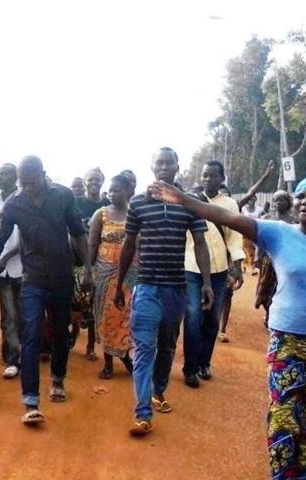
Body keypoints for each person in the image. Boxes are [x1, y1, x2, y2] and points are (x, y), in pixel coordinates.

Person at [151, 169, 306, 480]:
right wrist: (183, 199)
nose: (304, 201)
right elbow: (224, 215)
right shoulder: (279, 234)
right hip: (288, 337)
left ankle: (301, 473)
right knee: (284, 412)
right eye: (301, 196)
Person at [0, 155, 92, 426]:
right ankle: (30, 400)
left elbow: (78, 233)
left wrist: (87, 268)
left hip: (62, 278)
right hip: (34, 280)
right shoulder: (14, 204)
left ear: (43, 174)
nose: (29, 187)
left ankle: (58, 379)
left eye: (33, 182)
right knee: (29, 335)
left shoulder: (63, 196)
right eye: (24, 183)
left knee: (61, 334)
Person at [114, 147, 213, 436]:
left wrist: (206, 282)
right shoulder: (138, 203)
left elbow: (201, 243)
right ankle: (142, 413)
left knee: (168, 345)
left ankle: (159, 390)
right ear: (153, 167)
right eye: (160, 162)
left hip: (176, 289)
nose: (164, 167)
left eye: (169, 162)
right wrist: (121, 283)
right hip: (146, 287)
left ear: (177, 167)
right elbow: (128, 244)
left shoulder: (189, 203)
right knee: (144, 348)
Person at [182, 161, 244, 388]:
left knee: (211, 319)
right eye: (204, 176)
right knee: (192, 317)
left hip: (219, 269)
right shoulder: (191, 200)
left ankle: (204, 363)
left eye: (213, 176)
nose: (208, 179)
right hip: (191, 266)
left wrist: (237, 265)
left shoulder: (229, 204)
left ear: (221, 178)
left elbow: (235, 236)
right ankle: (189, 369)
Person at [217, 160, 276, 343]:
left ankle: (222, 329)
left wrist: (265, 177)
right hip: (209, 258)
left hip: (229, 257)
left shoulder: (233, 208)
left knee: (227, 293)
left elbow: (251, 192)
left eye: (227, 197)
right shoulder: (204, 208)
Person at [88, 175, 135, 380]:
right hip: (105, 275)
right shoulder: (101, 215)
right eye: (111, 190)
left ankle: (125, 355)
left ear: (128, 191)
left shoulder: (135, 214)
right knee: (107, 318)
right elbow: (92, 244)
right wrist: (89, 272)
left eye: (117, 190)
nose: (112, 193)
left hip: (132, 275)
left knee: (128, 317)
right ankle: (108, 363)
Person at [0, 163, 22, 379]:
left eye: (4, 174)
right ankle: (12, 359)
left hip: (25, 266)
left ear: (15, 176)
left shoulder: (24, 198)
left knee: (26, 314)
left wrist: (7, 256)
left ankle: (29, 353)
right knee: (8, 315)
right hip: (2, 268)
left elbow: (29, 236)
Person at [72, 167, 110, 361]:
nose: (94, 183)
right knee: (74, 300)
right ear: (85, 182)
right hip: (74, 258)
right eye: (91, 180)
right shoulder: (76, 202)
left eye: (98, 180)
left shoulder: (106, 205)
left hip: (99, 260)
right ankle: (74, 330)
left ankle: (90, 345)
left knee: (94, 303)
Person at [254, 190, 296, 327]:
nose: (278, 203)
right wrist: (257, 257)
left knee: (280, 288)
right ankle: (268, 312)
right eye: (276, 200)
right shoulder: (267, 219)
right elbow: (259, 239)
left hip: (286, 261)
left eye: (281, 200)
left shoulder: (293, 221)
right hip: (268, 261)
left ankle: (277, 315)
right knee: (266, 288)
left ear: (288, 202)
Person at [241, 194, 264, 274]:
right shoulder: (243, 209)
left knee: (256, 251)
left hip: (255, 232)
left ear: (255, 200)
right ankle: (246, 266)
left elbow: (266, 215)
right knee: (247, 250)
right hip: (245, 232)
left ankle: (253, 266)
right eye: (250, 199)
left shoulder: (259, 210)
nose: (252, 201)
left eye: (253, 199)